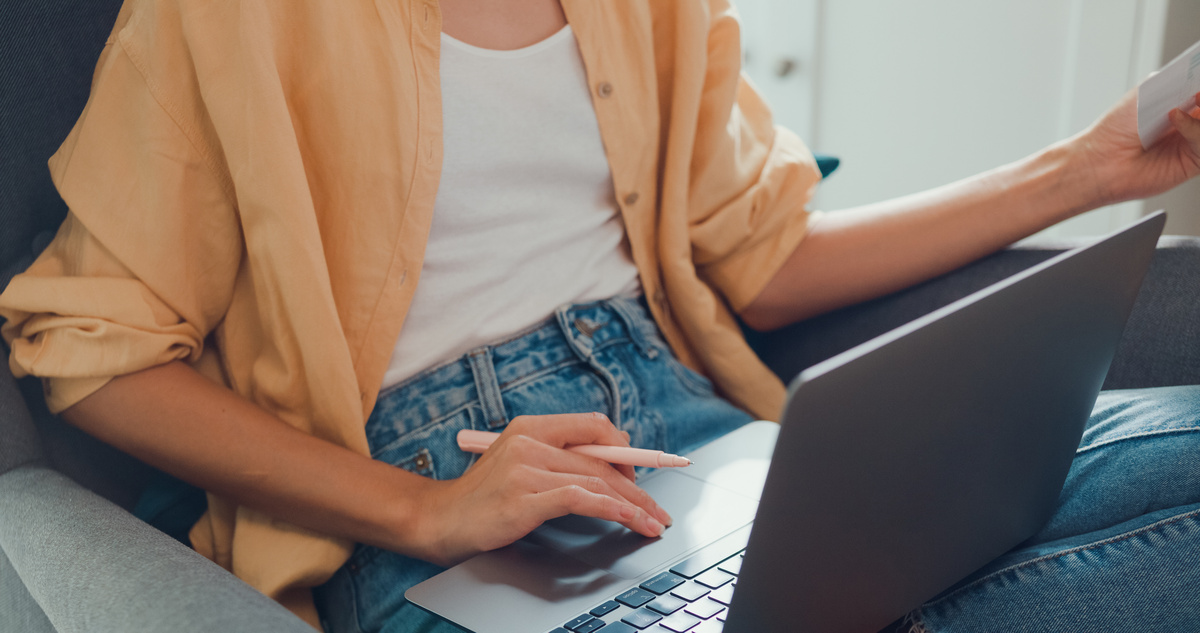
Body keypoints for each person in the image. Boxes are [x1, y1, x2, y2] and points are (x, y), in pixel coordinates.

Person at [1, 0, 1199, 631]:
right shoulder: (228, 14)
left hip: (696, 433)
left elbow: (759, 259)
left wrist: (1083, 171)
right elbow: (88, 349)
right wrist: (423, 510)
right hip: (434, 487)